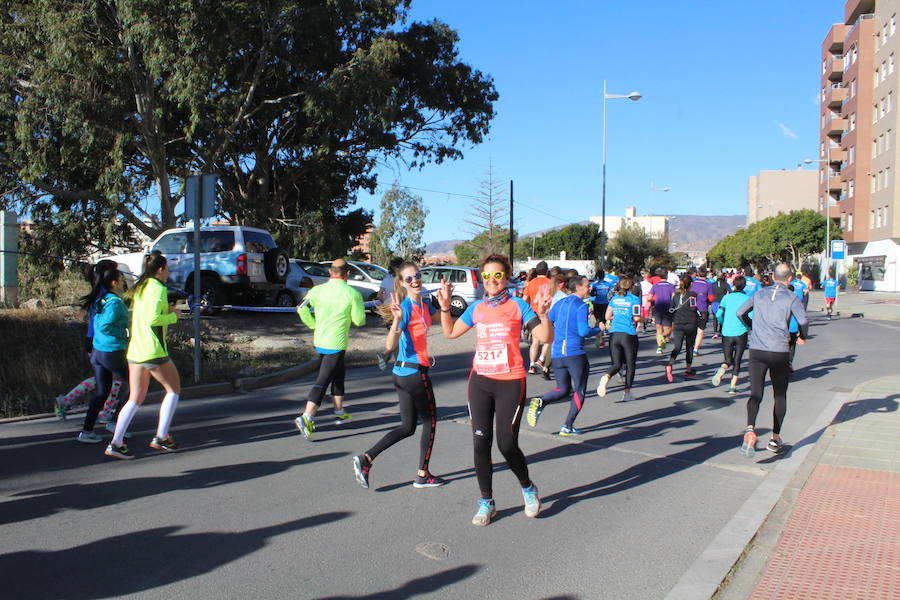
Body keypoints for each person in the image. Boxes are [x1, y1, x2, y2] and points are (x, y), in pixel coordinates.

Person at [438, 254, 552, 526]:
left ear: (507, 277)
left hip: (511, 381)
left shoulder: (518, 306)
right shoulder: (477, 308)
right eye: (486, 276)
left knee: (507, 443)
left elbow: (545, 338)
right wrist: (444, 308)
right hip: (480, 381)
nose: (491, 281)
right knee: (480, 443)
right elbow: (450, 333)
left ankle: (528, 488)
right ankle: (486, 501)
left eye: (497, 275)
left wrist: (544, 315)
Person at [352, 262, 445, 489]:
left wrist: (445, 303)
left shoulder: (423, 305)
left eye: (418, 276)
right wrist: (395, 320)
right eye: (409, 279)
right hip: (413, 373)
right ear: (403, 284)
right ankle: (423, 474)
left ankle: (366, 459)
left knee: (407, 427)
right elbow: (391, 343)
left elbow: (442, 320)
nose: (415, 281)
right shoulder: (405, 308)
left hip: (403, 374)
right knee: (430, 421)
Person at [105, 251, 181, 460]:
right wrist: (173, 316)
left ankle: (116, 443)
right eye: (167, 269)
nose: (168, 273)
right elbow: (154, 319)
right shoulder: (157, 287)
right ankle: (162, 436)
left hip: (136, 349)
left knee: (135, 398)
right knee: (173, 390)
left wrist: (166, 311)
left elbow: (146, 313)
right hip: (152, 349)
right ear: (161, 269)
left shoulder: (141, 287)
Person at [736, 264, 809, 457]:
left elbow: (740, 312)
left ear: (773, 276)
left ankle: (750, 429)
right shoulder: (792, 297)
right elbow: (803, 322)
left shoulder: (759, 294)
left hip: (757, 349)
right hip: (779, 351)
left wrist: (751, 327)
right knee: (780, 395)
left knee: (756, 393)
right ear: (790, 278)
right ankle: (775, 439)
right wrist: (803, 336)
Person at [295, 258, 367, 440]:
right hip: (336, 343)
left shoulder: (316, 290)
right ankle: (307, 416)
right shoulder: (352, 293)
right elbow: (359, 321)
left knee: (339, 374)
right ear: (348, 274)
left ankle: (339, 410)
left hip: (320, 340)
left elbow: (301, 309)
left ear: (330, 272)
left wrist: (314, 324)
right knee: (323, 380)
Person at [527, 276, 601, 434]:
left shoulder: (559, 304)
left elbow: (549, 321)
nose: (590, 288)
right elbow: (583, 331)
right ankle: (567, 426)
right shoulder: (581, 306)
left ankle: (541, 401)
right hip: (575, 354)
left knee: (562, 389)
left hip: (557, 355)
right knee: (579, 391)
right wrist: (598, 328)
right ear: (578, 288)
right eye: (587, 286)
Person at [55, 260, 123, 422]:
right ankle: (103, 412)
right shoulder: (104, 293)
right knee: (112, 380)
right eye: (116, 271)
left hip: (93, 339)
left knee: (105, 381)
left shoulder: (100, 290)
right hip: (100, 341)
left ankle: (67, 401)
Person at [77, 268, 131, 443]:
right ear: (114, 282)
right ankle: (115, 423)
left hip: (98, 352)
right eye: (122, 279)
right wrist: (123, 333)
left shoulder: (101, 299)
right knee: (135, 387)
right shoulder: (114, 302)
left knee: (102, 392)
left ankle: (86, 431)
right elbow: (105, 325)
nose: (124, 283)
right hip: (112, 351)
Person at [596, 277, 642, 402]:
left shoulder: (614, 299)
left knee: (617, 364)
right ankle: (627, 393)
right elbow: (637, 318)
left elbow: (607, 316)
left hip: (614, 333)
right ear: (632, 287)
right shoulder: (635, 299)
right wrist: (641, 319)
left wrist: (618, 316)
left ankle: (606, 376)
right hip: (628, 334)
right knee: (630, 365)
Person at [712, 276, 750, 394]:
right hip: (741, 332)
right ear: (744, 286)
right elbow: (752, 316)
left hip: (727, 332)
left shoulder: (726, 297)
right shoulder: (748, 299)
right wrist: (749, 327)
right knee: (737, 360)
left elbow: (718, 314)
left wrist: (723, 324)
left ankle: (722, 369)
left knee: (728, 359)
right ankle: (732, 387)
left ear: (733, 285)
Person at [665, 274, 700, 382]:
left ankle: (670, 364)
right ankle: (688, 369)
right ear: (691, 284)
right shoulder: (693, 295)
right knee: (689, 347)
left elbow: (671, 309)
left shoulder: (676, 296)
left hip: (678, 323)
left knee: (677, 346)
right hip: (690, 323)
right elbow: (694, 308)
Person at [375, 257, 405, 370]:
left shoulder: (386, 280)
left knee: (394, 335)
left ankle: (389, 357)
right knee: (400, 337)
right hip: (401, 311)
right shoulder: (402, 281)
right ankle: (393, 360)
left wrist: (385, 303)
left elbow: (379, 296)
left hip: (389, 311)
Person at [523, 260, 552, 379]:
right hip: (546, 314)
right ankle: (540, 360)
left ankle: (531, 366)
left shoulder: (531, 283)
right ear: (547, 271)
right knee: (548, 340)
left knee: (535, 342)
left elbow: (524, 300)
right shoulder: (551, 283)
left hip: (533, 314)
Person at [648, 268, 676, 354]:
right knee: (668, 328)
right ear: (667, 276)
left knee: (658, 329)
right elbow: (674, 297)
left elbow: (649, 298)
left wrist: (656, 300)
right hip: (668, 309)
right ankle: (662, 340)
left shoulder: (655, 286)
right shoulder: (671, 286)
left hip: (658, 308)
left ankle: (659, 347)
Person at [689, 267, 715, 356]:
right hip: (703, 309)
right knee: (700, 330)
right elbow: (711, 298)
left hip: (691, 309)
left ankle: (690, 346)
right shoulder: (708, 284)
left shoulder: (692, 284)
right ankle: (696, 349)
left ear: (697, 273)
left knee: (691, 329)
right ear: (706, 274)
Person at [589, 270, 613, 347]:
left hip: (596, 304)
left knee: (598, 321)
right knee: (603, 320)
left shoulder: (595, 284)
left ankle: (599, 337)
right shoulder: (608, 284)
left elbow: (592, 294)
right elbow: (611, 294)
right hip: (605, 304)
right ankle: (601, 338)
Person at [710, 272, 730, 340]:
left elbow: (710, 292)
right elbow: (730, 291)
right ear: (723, 277)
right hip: (722, 303)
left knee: (715, 317)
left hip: (714, 302)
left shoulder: (713, 284)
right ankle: (721, 331)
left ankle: (715, 331)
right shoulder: (725, 284)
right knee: (722, 316)